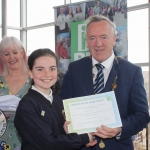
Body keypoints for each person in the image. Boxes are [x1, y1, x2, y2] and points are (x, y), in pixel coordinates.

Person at [59, 15, 149, 150]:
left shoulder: (132, 72)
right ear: (87, 42)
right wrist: (68, 126)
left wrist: (120, 129)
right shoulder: (75, 69)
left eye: (104, 37)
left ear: (114, 39)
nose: (98, 43)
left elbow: (142, 115)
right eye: (92, 38)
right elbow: (63, 107)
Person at [14, 48, 97, 150]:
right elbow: (49, 143)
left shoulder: (59, 101)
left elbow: (62, 137)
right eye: (40, 69)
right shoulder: (27, 106)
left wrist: (72, 134)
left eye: (52, 69)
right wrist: (83, 138)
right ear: (30, 72)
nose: (47, 74)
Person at [0, 36, 31, 150]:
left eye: (15, 52)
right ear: (2, 57)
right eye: (6, 54)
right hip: (3, 140)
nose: (11, 57)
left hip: (30, 139)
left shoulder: (35, 79)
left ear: (22, 53)